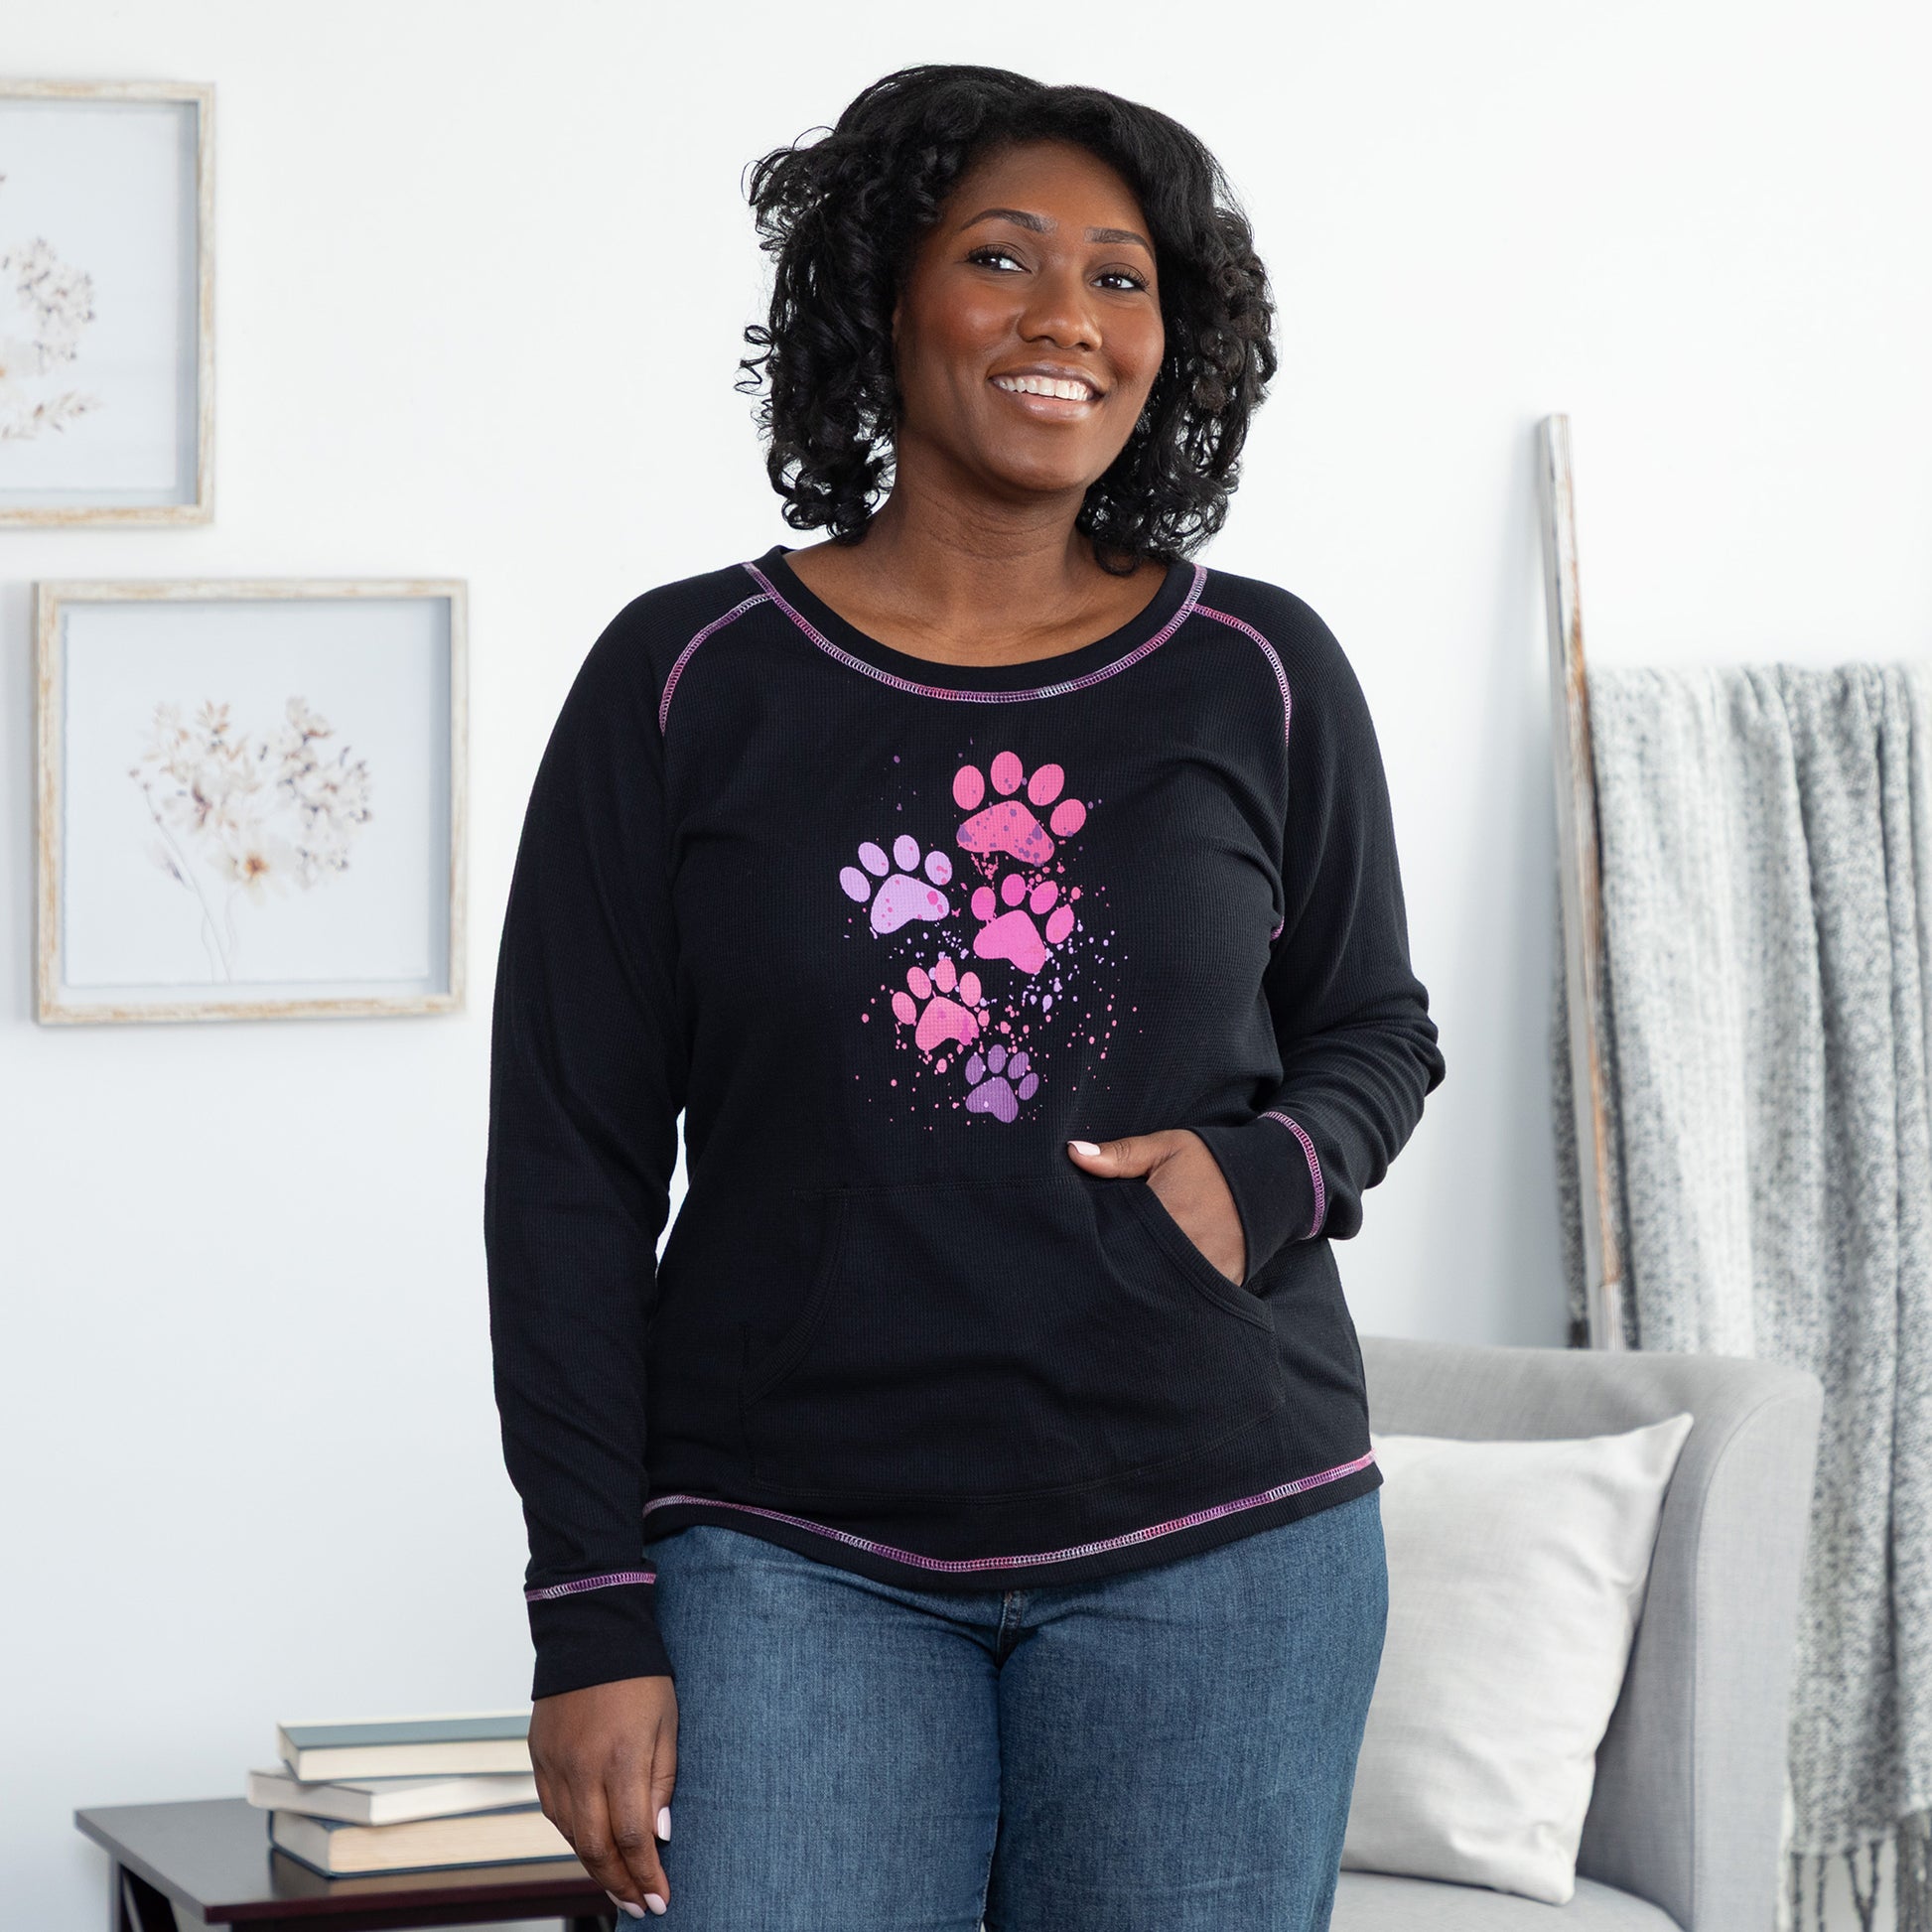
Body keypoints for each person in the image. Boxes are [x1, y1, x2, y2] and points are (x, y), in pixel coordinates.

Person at [483, 62, 1446, 1932]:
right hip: (788, 1555)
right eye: (1000, 257)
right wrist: (585, 1601)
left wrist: (1257, 1181)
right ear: (879, 295)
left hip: (1218, 1543)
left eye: (1122, 276)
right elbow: (567, 1171)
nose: (1066, 318)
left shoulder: (1258, 668)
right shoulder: (683, 678)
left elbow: (1375, 1032)